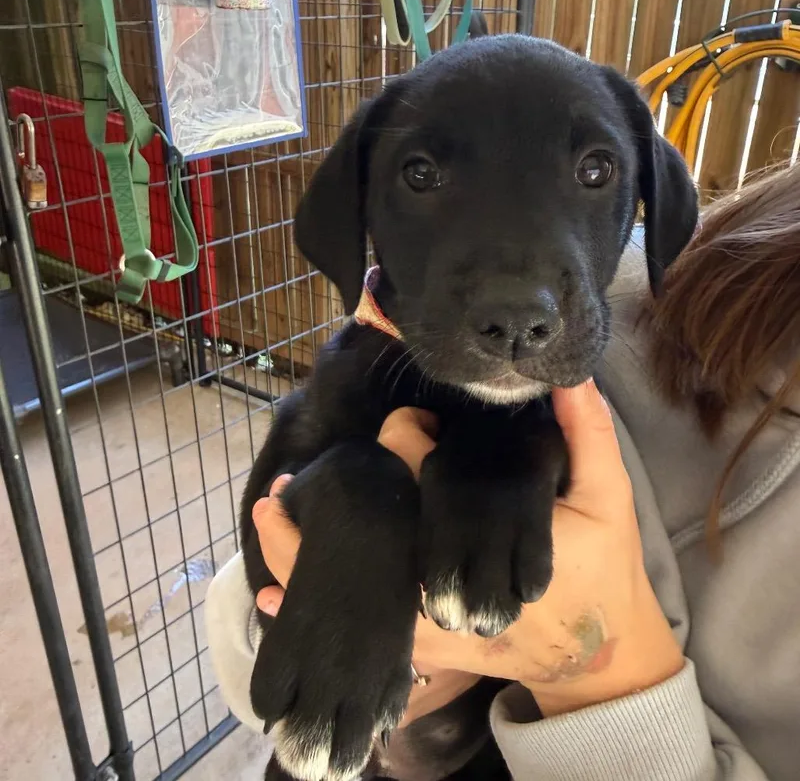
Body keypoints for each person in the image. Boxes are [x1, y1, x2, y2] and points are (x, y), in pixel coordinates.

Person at [205, 161, 800, 780]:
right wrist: (376, 627)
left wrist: (597, 674)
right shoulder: (622, 276)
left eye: (596, 173)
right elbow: (252, 626)